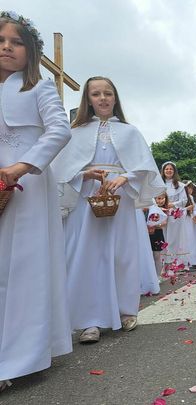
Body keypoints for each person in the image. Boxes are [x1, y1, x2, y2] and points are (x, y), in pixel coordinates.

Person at [54, 76, 165, 343]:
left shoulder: (130, 132)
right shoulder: (75, 132)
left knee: (121, 254)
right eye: (96, 94)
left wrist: (125, 177)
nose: (102, 98)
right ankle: (89, 320)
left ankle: (126, 310)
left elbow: (145, 168)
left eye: (107, 93)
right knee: (87, 256)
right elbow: (61, 170)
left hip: (121, 198)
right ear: (88, 100)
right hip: (87, 198)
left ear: (115, 98)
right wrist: (84, 174)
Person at [0, 12, 72, 390]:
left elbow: (60, 130)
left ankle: (20, 357)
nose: (7, 47)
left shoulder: (39, 88)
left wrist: (22, 166)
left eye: (16, 42)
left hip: (28, 184)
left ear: (30, 51)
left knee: (25, 268)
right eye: (1, 41)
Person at [161, 162, 192, 272]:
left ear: (174, 171)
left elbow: (184, 200)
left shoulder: (180, 185)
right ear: (163, 171)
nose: (168, 171)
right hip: (162, 214)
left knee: (175, 239)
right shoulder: (158, 184)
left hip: (175, 215)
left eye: (171, 169)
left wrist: (173, 204)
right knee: (164, 238)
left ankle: (177, 262)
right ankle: (165, 262)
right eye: (166, 169)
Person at [146, 192, 168, 278]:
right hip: (147, 234)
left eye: (163, 198)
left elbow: (164, 223)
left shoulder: (164, 210)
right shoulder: (148, 208)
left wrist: (155, 225)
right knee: (149, 255)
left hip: (157, 233)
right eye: (158, 198)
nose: (161, 200)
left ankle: (157, 276)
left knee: (157, 256)